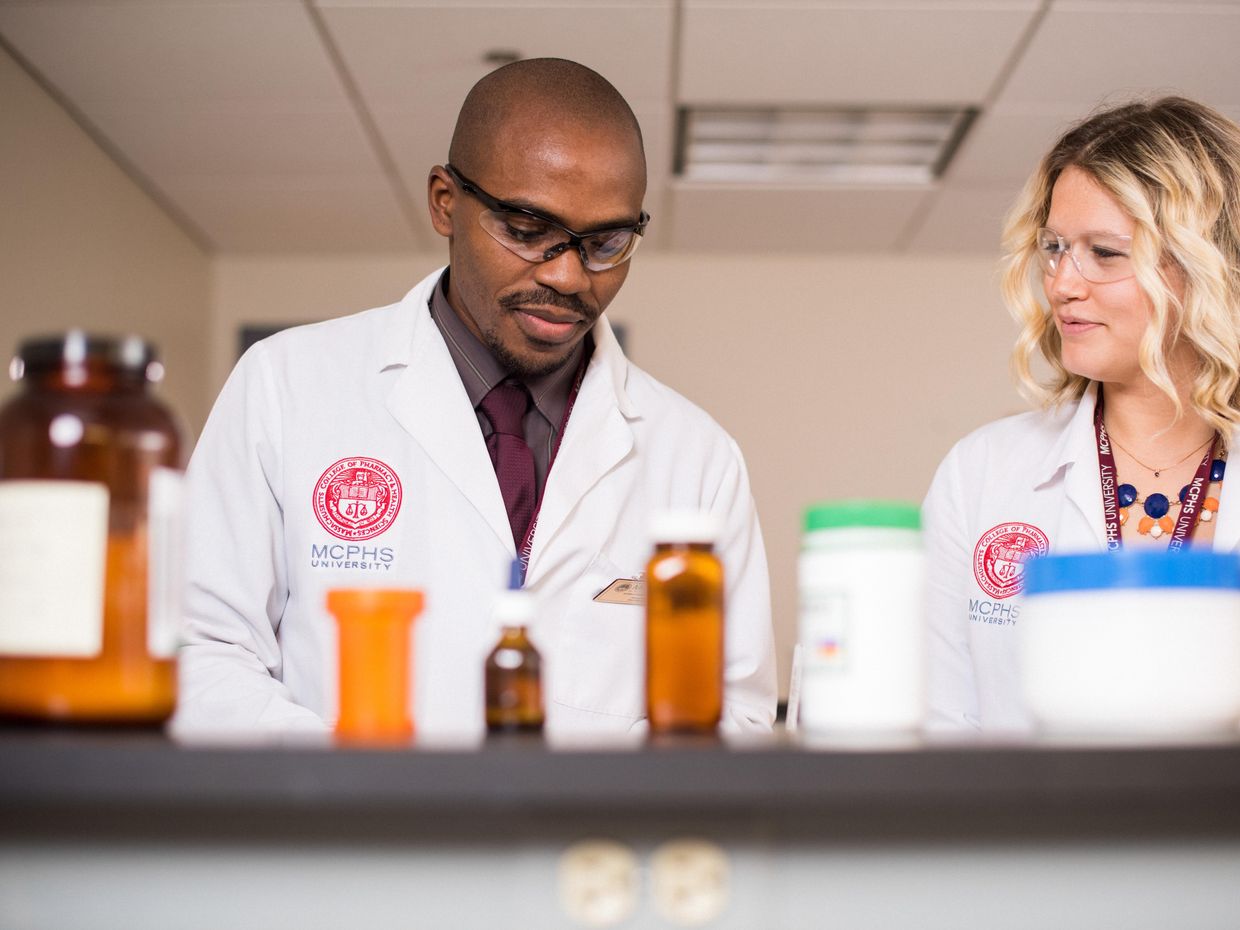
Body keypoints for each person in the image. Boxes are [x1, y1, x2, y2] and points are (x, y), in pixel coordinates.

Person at [173, 58, 776, 737]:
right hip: (344, 835)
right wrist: (363, 791)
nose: (569, 274)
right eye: (525, 229)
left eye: (605, 242)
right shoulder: (286, 386)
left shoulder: (695, 458)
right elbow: (201, 654)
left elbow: (738, 719)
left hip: (587, 842)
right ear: (445, 202)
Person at [923, 97, 1240, 733]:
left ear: (1206, 266)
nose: (1063, 283)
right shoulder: (983, 473)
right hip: (1033, 832)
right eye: (1055, 247)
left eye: (1105, 252)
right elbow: (942, 726)